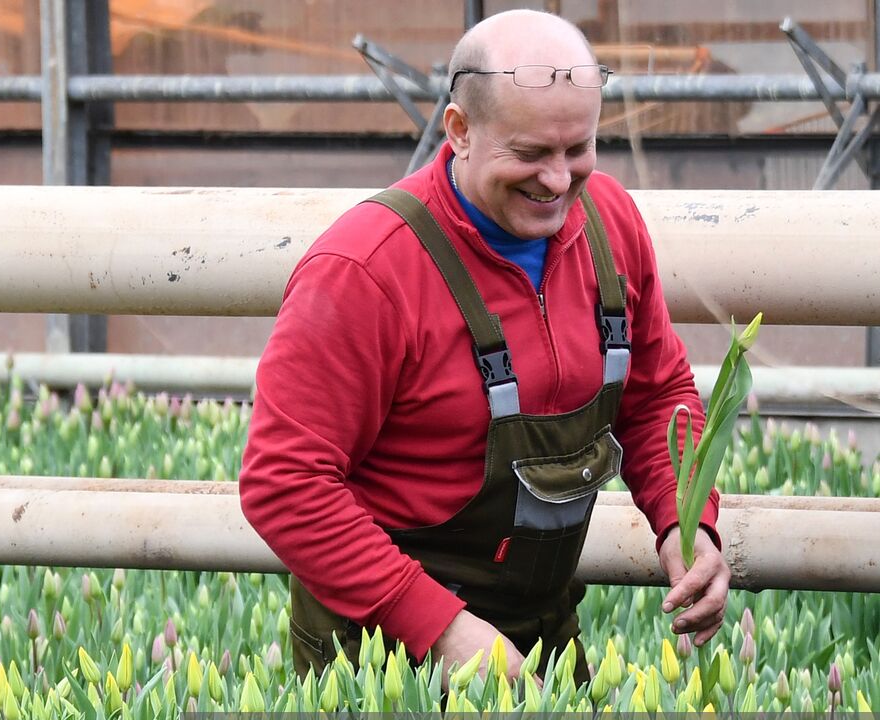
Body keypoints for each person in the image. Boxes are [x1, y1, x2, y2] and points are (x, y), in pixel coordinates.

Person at [238, 10, 730, 685]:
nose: (558, 181)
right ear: (460, 131)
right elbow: (284, 484)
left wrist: (686, 520)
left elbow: (657, 397)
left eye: (578, 149)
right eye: (530, 154)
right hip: (378, 658)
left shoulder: (610, 224)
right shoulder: (366, 270)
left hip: (540, 638)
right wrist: (442, 630)